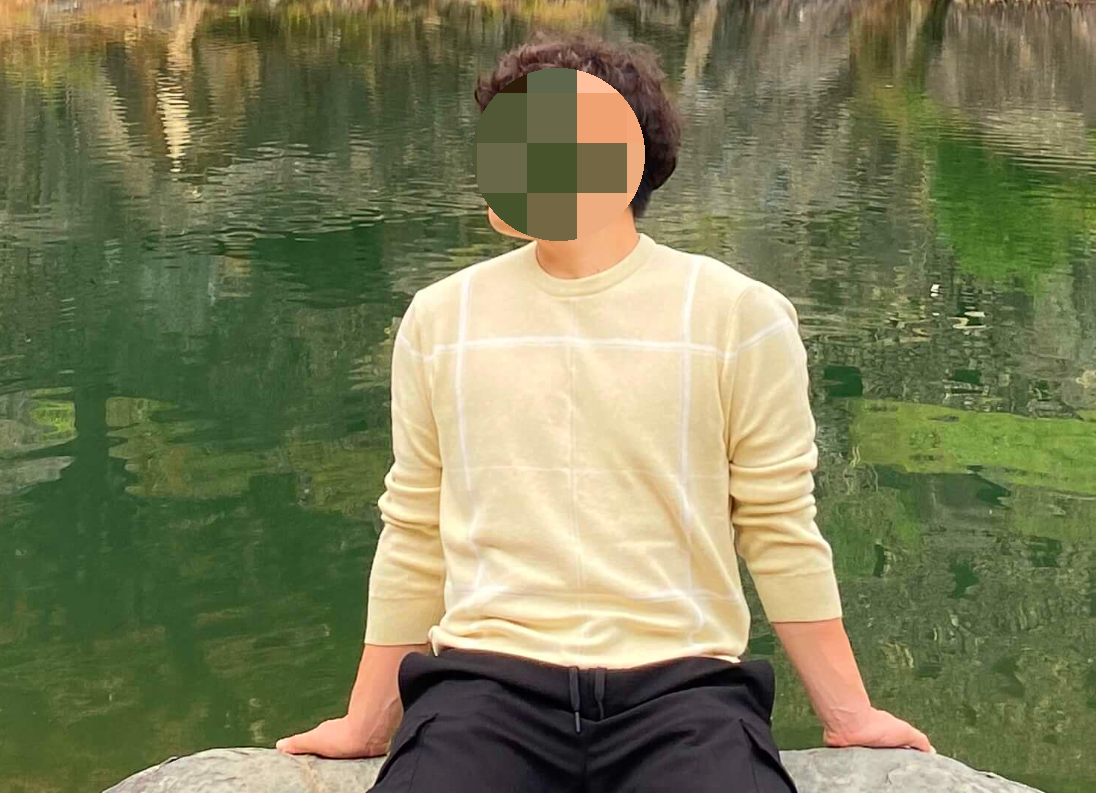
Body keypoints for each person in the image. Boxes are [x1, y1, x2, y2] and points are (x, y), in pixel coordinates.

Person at [282, 40, 928, 789]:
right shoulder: (441, 318)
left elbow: (777, 525)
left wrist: (849, 714)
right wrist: (365, 724)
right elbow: (416, 530)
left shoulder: (738, 316)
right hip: (482, 688)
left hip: (686, 692)